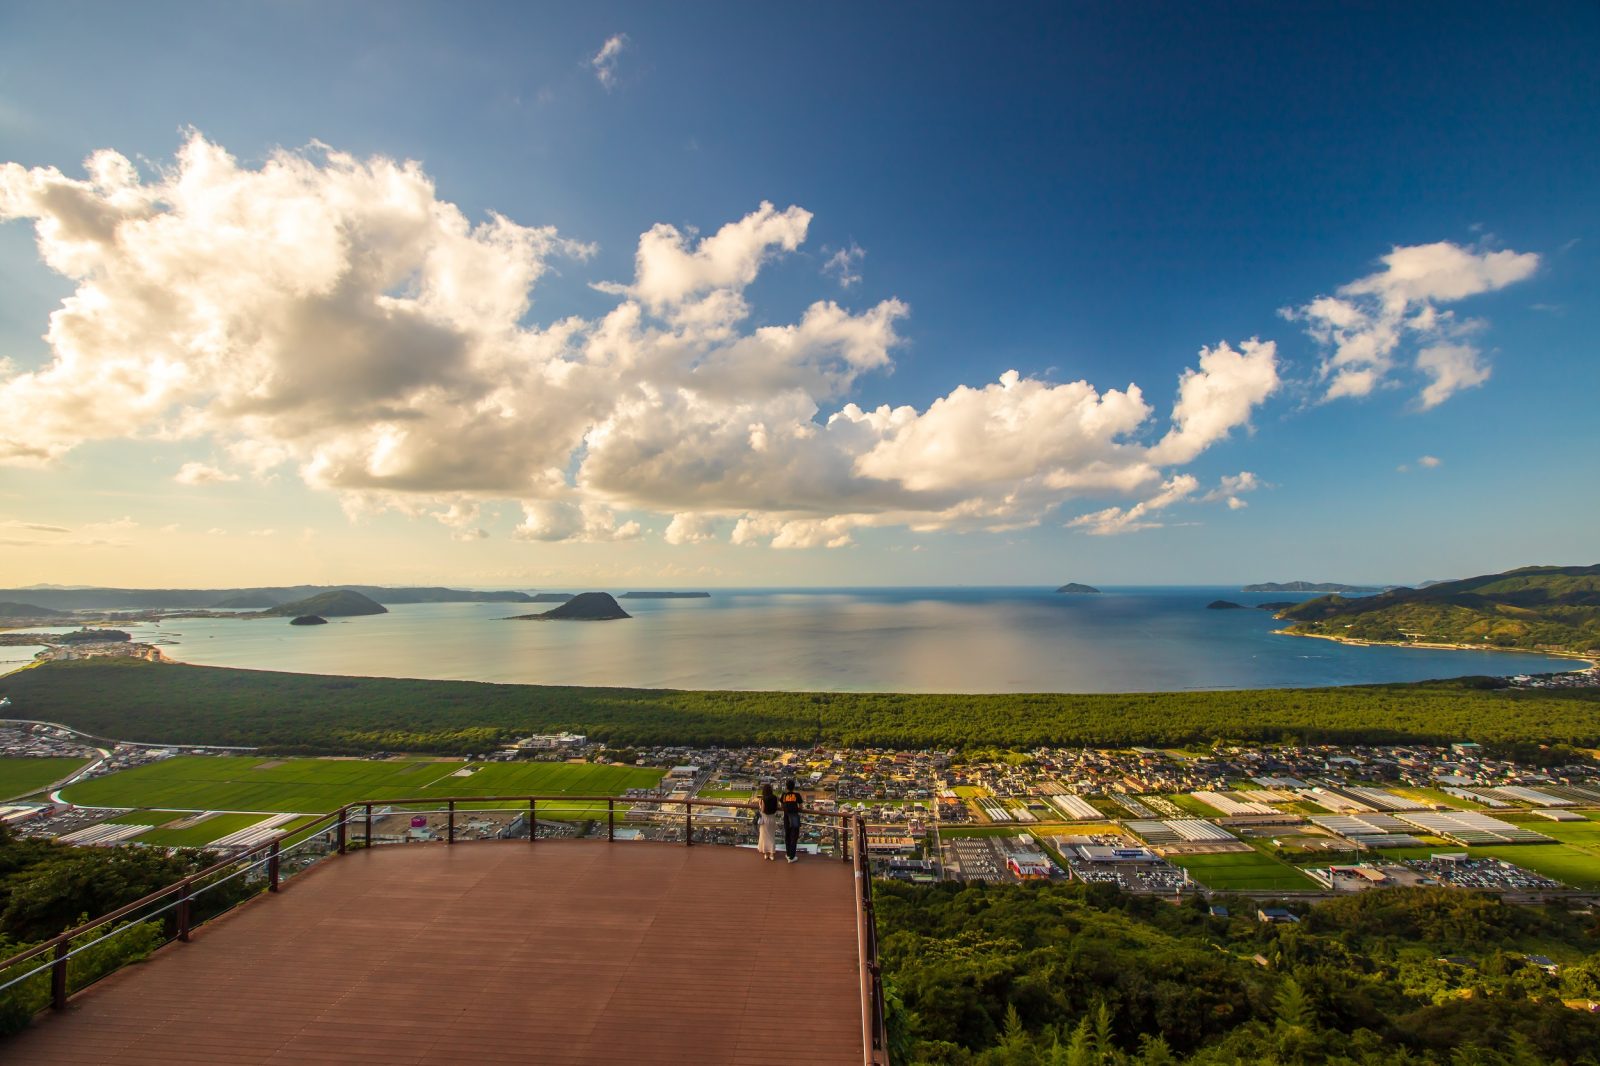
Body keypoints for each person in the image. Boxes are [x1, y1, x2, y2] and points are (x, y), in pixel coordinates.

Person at [779, 778, 803, 863]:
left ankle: (788, 854)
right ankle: (792, 857)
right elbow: (801, 807)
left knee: (787, 836)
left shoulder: (784, 795)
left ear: (786, 787)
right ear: (794, 787)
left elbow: (781, 805)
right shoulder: (797, 795)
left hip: (786, 817)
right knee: (794, 837)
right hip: (794, 817)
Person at [756, 782, 778, 861]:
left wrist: (759, 804)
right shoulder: (775, 798)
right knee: (771, 836)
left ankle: (766, 853)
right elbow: (776, 807)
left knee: (764, 837)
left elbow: (762, 810)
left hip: (765, 819)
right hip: (772, 818)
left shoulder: (763, 799)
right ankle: (772, 854)